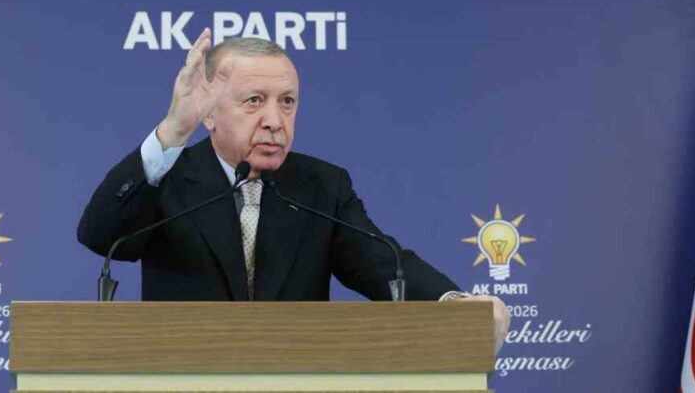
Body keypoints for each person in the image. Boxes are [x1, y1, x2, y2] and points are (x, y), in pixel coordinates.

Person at [77, 30, 509, 351]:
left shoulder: (321, 186)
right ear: (208, 113)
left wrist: (455, 303)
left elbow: (381, 262)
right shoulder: (166, 177)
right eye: (254, 101)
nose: (274, 121)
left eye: (287, 102)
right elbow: (99, 234)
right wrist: (174, 128)